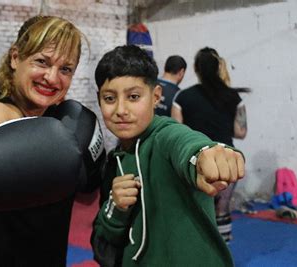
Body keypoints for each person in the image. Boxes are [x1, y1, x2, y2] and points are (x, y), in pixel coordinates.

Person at [0, 15, 102, 266]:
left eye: (65, 69)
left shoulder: (54, 120)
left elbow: (84, 196)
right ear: (15, 57)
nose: (52, 78)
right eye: (42, 62)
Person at [90, 45, 245, 266]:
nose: (121, 110)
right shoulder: (113, 163)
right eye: (109, 98)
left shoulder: (163, 137)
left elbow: (182, 140)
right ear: (99, 99)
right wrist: (116, 207)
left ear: (155, 97)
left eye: (133, 97)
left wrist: (201, 156)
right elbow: (105, 239)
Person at [171, 47, 250, 243]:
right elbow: (241, 132)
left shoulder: (182, 97)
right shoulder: (234, 97)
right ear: (218, 67)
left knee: (195, 211)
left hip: (197, 160)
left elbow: (176, 134)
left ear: (196, 69)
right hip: (227, 158)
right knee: (221, 210)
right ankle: (222, 256)